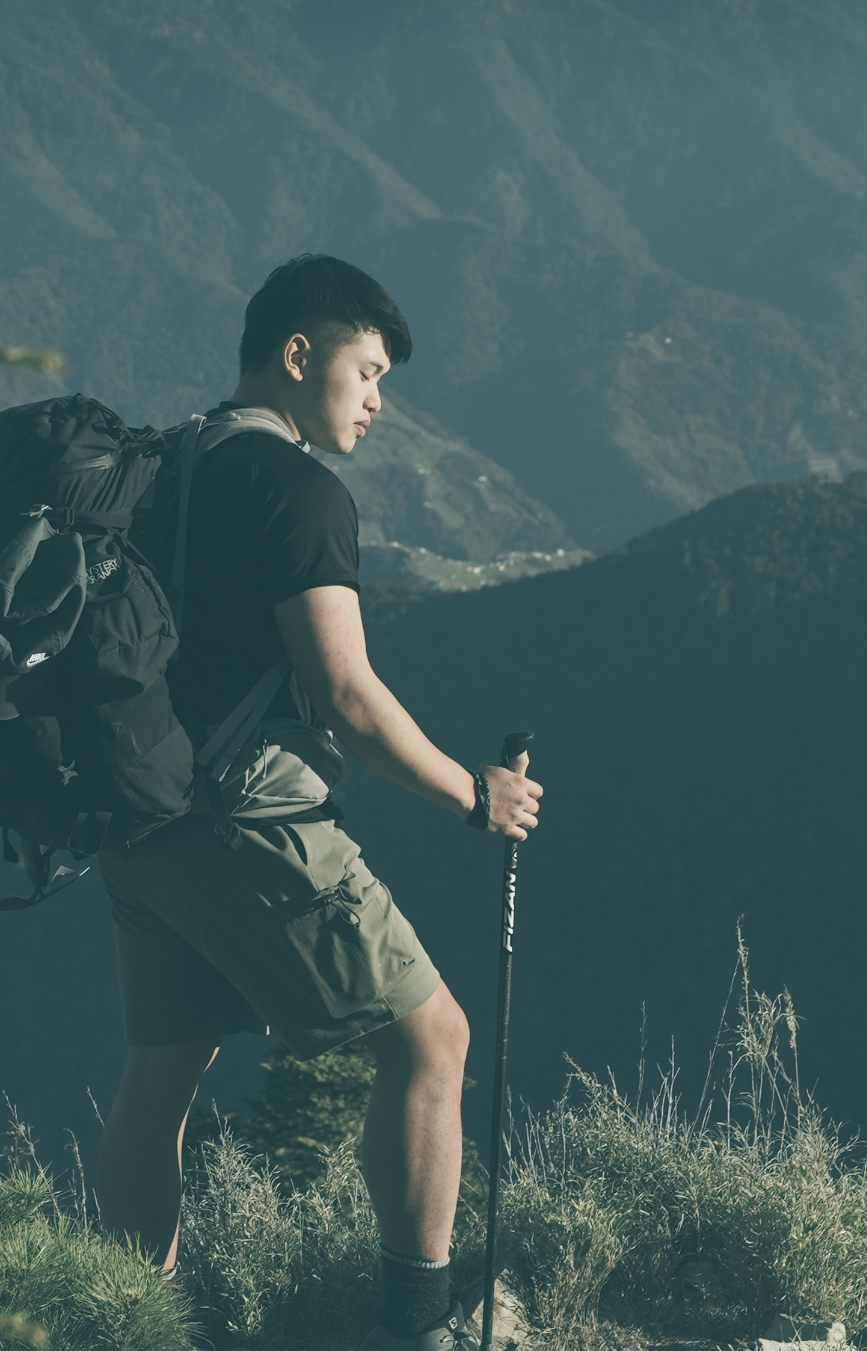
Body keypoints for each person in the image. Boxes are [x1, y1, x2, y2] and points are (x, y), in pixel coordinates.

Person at [95, 254, 546, 1351]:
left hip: (138, 821)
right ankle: (417, 1328)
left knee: (160, 1080)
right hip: (250, 823)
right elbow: (346, 693)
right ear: (299, 356)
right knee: (433, 1041)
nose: (379, 400)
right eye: (368, 370)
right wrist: (472, 794)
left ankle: (130, 1327)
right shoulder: (298, 491)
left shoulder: (164, 465)